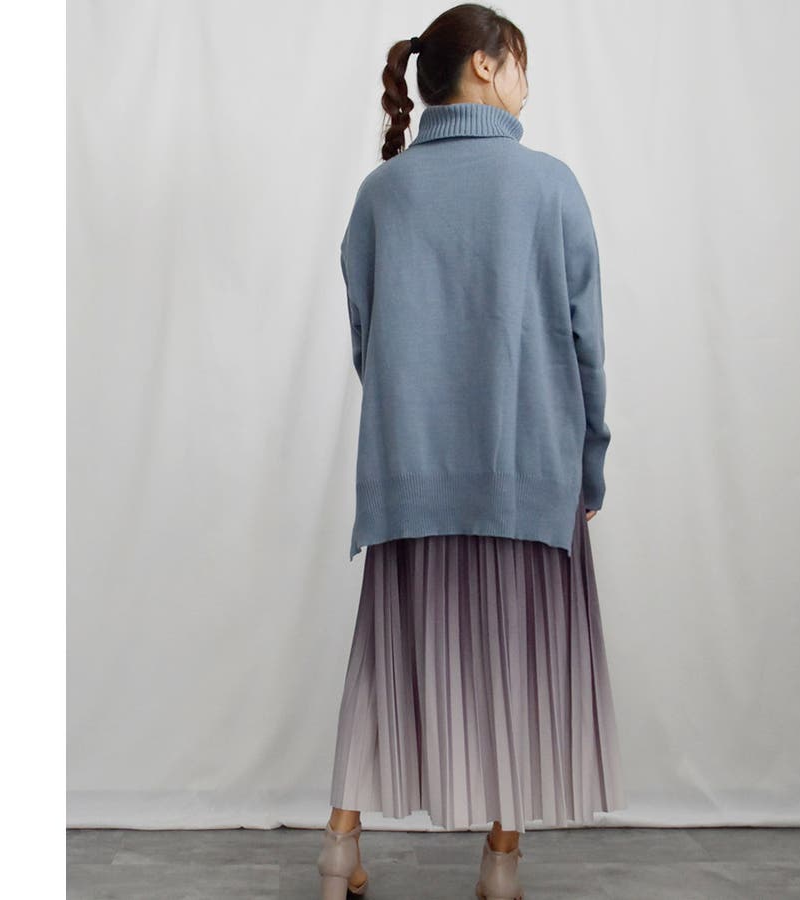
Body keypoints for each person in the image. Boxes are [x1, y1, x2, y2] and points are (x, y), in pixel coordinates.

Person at [316, 5, 626, 898]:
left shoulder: (381, 194)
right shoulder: (550, 185)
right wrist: (589, 465)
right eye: (519, 61)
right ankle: (500, 863)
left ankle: (339, 848)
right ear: (486, 66)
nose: (529, 81)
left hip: (410, 479)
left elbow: (368, 341)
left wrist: (418, 431)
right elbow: (586, 344)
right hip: (530, 474)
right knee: (517, 669)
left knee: (384, 662)